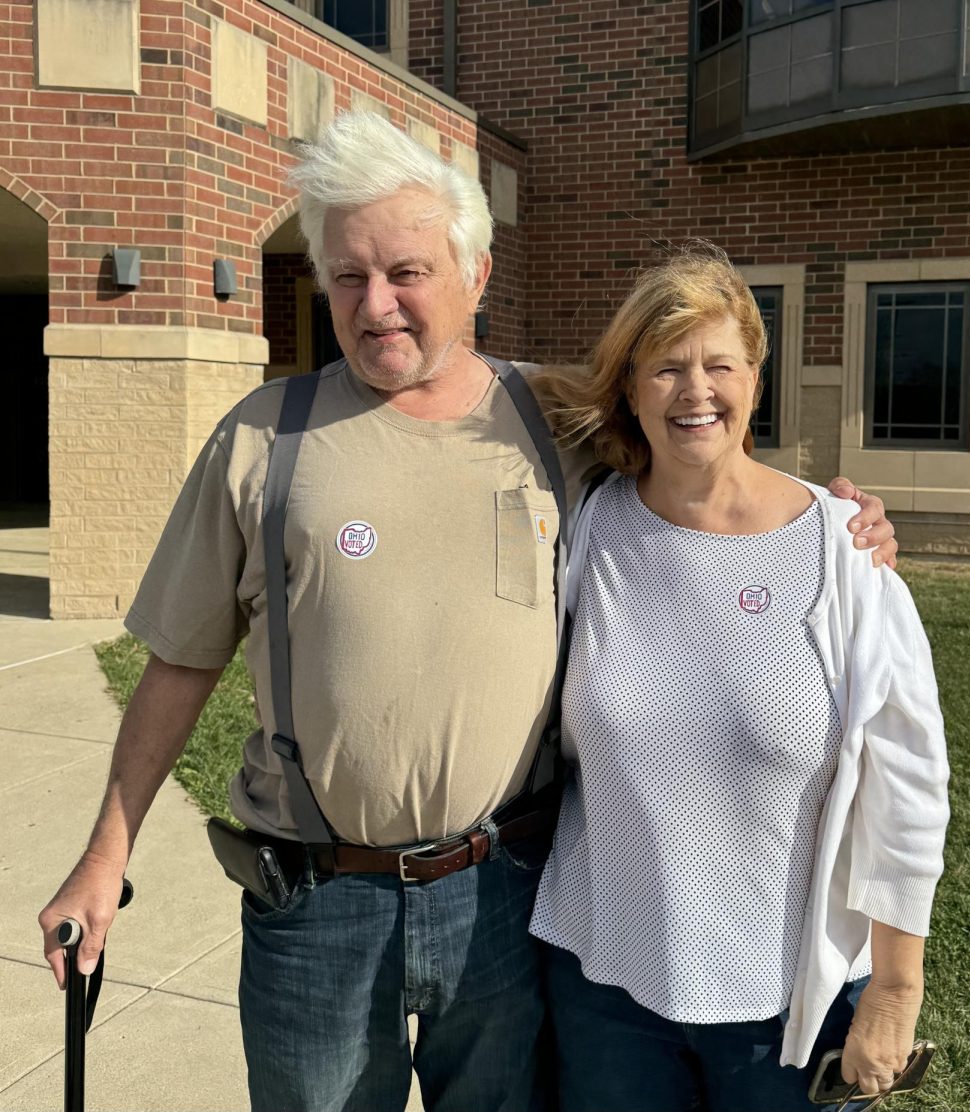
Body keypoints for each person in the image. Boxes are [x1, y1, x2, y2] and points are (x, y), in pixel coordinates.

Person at [37, 113, 897, 1112]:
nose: (377, 304)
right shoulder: (262, 440)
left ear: (475, 275)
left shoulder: (556, 417)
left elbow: (702, 454)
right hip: (317, 903)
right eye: (349, 276)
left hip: (506, 894)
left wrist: (832, 515)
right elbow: (181, 663)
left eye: (406, 271)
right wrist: (106, 856)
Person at [528, 248, 951, 1112]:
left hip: (789, 1005)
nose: (696, 392)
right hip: (604, 982)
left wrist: (895, 991)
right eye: (667, 368)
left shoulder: (843, 553)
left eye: (720, 365)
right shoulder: (587, 527)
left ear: (755, 379)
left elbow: (909, 788)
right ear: (631, 387)